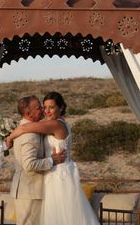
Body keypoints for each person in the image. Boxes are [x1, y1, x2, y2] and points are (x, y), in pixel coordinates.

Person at [7, 92, 99, 225]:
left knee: (62, 214)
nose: (47, 111)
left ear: (61, 108)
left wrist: (9, 138)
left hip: (58, 174)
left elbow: (25, 127)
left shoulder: (56, 125)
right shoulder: (55, 123)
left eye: (51, 107)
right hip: (54, 172)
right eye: (44, 107)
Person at [10, 95, 66, 225]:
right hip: (30, 191)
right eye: (38, 108)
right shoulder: (30, 134)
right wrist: (52, 160)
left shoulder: (26, 128)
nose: (42, 110)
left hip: (28, 190)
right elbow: (29, 164)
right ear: (28, 113)